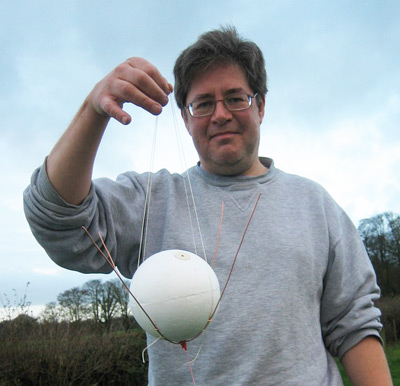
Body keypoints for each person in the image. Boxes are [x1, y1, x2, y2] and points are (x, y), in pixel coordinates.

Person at [23, 27, 392, 385]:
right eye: (203, 103)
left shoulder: (316, 205)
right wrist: (93, 109)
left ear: (260, 106)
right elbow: (57, 218)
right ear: (185, 118)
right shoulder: (153, 200)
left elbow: (353, 322)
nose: (220, 115)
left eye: (235, 98)